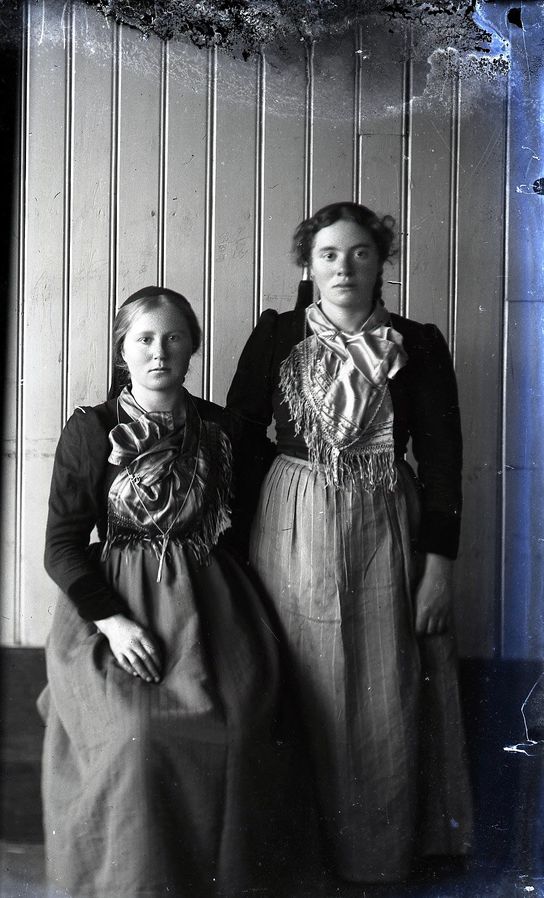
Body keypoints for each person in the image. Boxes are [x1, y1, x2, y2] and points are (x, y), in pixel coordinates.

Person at [226, 202, 473, 885]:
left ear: (381, 262)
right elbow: (240, 438)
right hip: (291, 524)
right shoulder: (278, 335)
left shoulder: (417, 343)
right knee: (300, 675)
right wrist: (240, 540)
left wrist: (439, 565)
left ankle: (378, 855)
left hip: (386, 523)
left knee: (385, 683)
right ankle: (300, 857)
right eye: (329, 254)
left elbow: (444, 459)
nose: (345, 267)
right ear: (308, 266)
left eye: (361, 252)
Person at [38, 286, 283, 898]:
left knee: (237, 726)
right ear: (123, 349)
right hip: (113, 609)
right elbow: (61, 545)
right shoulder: (92, 429)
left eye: (173, 337)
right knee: (137, 737)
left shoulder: (222, 429)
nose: (159, 352)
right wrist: (114, 624)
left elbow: (248, 524)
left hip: (209, 603)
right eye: (144, 338)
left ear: (192, 345)